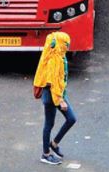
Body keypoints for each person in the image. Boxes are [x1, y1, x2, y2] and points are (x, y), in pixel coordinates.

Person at [34, 32, 76, 166]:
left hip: (55, 94)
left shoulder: (55, 54)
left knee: (52, 123)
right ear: (60, 44)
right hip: (52, 96)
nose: (68, 46)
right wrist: (60, 100)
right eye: (65, 43)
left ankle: (53, 144)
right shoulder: (54, 59)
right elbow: (52, 81)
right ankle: (46, 154)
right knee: (67, 119)